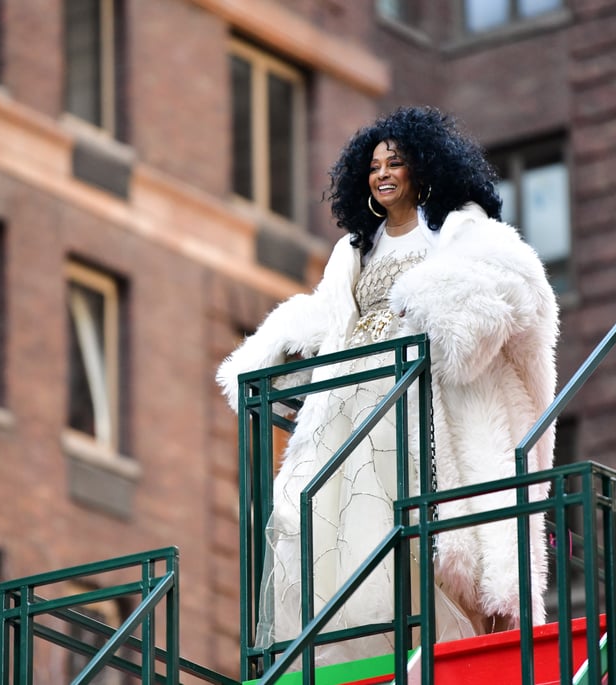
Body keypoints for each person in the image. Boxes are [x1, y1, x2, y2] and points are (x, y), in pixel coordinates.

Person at [216, 106, 559, 664]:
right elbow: (329, 319)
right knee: (321, 512)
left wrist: (435, 307)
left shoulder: (455, 229)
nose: (383, 173)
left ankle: (418, 635)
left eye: (395, 162)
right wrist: (275, 347)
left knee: (408, 515)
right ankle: (353, 642)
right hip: (347, 391)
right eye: (374, 166)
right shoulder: (353, 249)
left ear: (423, 168)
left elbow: (502, 290)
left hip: (411, 397)